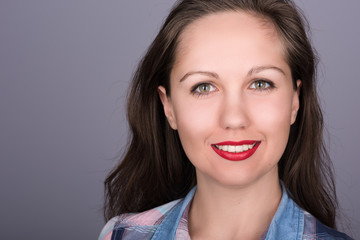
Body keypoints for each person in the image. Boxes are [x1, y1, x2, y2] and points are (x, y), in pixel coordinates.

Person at [98, 0, 353, 239]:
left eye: (261, 84)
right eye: (204, 87)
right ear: (169, 107)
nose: (234, 118)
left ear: (295, 101)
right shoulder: (120, 234)